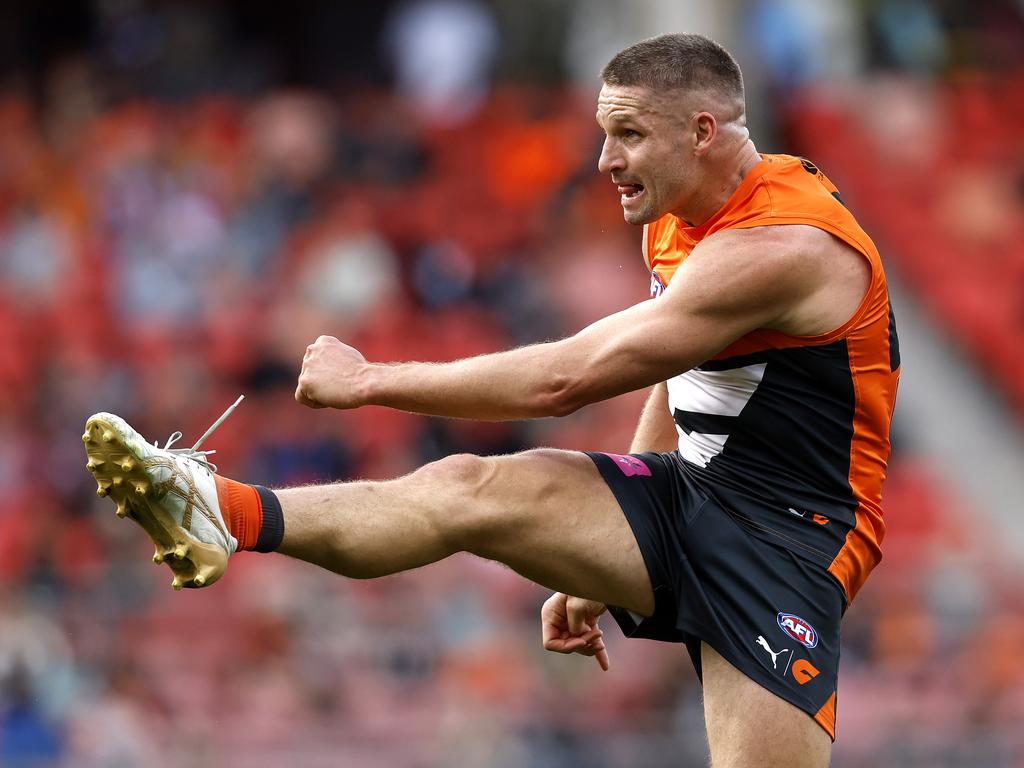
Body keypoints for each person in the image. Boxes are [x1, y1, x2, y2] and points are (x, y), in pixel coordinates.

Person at [83, 33, 899, 767]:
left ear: (703, 133)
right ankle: (220, 512)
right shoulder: (682, 210)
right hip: (695, 496)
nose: (606, 160)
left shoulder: (782, 246)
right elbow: (679, 366)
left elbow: (563, 380)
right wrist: (624, 544)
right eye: (604, 133)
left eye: (629, 135)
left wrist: (371, 381)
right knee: (469, 486)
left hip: (790, 548)